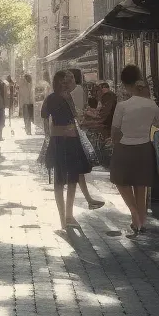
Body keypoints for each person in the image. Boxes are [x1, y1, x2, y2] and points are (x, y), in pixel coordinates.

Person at [109, 64, 159, 236]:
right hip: (145, 147)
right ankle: (141, 222)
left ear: (124, 84)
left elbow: (114, 131)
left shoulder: (122, 106)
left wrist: (117, 144)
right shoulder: (152, 105)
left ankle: (134, 214)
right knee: (141, 185)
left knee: (120, 181)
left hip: (124, 147)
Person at [42, 70, 94, 233]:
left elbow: (45, 116)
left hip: (62, 141)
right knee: (66, 179)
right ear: (58, 83)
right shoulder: (57, 98)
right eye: (64, 82)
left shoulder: (54, 97)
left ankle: (66, 217)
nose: (66, 85)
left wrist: (49, 135)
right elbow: (72, 116)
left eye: (68, 82)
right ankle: (66, 217)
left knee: (67, 179)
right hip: (67, 140)